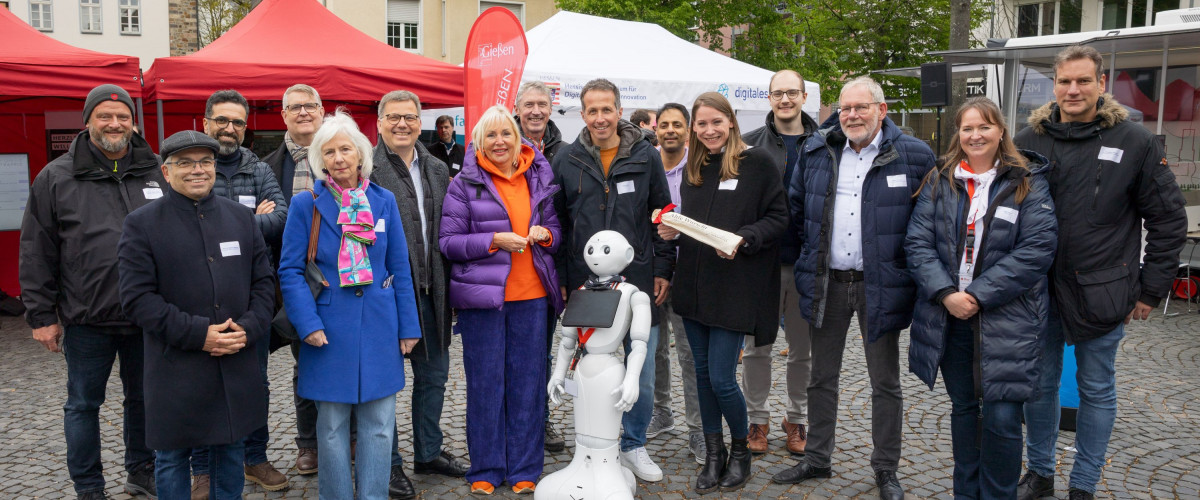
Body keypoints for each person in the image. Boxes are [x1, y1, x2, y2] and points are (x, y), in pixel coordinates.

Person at [1014, 45, 1188, 500]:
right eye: (1065, 81)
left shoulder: (1135, 141)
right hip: (1036, 292)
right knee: (1039, 387)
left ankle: (1085, 485)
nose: (1073, 90)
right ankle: (1040, 472)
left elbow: (1169, 220)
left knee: (1095, 389)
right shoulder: (1026, 142)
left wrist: (1150, 289)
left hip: (1102, 291)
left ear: (1101, 84)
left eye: (1083, 81)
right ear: (1053, 85)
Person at [771, 76, 935, 500]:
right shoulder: (817, 150)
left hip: (880, 285)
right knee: (821, 376)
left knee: (885, 381)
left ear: (882, 110)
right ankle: (818, 458)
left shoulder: (913, 154)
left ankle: (886, 469)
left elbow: (929, 223)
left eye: (861, 107)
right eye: (845, 108)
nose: (852, 116)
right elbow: (796, 210)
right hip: (827, 280)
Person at [905, 97, 1058, 499]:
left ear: (1001, 131)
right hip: (950, 317)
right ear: (959, 133)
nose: (975, 135)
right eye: (967, 128)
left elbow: (1038, 249)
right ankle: (965, 494)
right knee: (963, 410)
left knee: (1004, 417)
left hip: (1009, 318)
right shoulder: (941, 180)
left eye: (984, 127)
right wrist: (945, 293)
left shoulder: (1027, 181)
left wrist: (976, 294)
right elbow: (918, 243)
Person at [19, 83, 160, 500]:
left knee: (144, 400)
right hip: (87, 318)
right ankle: (89, 486)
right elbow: (35, 248)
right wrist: (41, 316)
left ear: (134, 124)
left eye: (123, 117)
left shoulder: (156, 171)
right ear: (88, 122)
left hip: (146, 315)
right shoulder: (56, 176)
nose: (114, 124)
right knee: (83, 405)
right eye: (105, 116)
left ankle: (142, 471)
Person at [117, 130, 276, 500]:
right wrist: (199, 334)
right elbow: (137, 299)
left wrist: (248, 329)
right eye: (185, 163)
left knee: (231, 449)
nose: (197, 170)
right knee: (173, 457)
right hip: (176, 364)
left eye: (205, 162)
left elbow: (264, 285)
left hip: (235, 359)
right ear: (166, 171)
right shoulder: (141, 224)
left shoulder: (241, 218)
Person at [278, 111, 422, 500]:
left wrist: (409, 326)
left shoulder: (384, 200)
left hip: (379, 326)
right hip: (327, 327)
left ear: (360, 154)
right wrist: (307, 324)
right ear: (320, 160)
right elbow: (290, 271)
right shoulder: (305, 205)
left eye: (346, 149)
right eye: (330, 152)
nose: (339, 158)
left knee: (378, 424)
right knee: (331, 425)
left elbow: (399, 267)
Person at [660, 92, 788, 493]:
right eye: (702, 124)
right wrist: (671, 229)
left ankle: (740, 452)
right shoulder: (695, 168)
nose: (709, 130)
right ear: (694, 129)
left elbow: (780, 218)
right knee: (701, 377)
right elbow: (695, 225)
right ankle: (714, 456)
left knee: (721, 377)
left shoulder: (758, 163)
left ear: (730, 121)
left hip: (735, 288)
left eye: (717, 121)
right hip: (694, 287)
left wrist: (744, 238)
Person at [551, 78, 675, 482]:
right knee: (591, 363)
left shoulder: (645, 154)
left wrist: (662, 268)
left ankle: (634, 444)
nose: (600, 118)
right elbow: (561, 223)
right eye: (593, 110)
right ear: (582, 114)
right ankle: (595, 444)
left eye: (608, 109)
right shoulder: (567, 159)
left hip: (638, 277)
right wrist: (567, 277)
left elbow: (663, 215)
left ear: (620, 111)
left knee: (643, 361)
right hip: (586, 282)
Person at [439, 104, 563, 495]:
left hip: (532, 298)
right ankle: (487, 469)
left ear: (518, 138)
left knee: (528, 384)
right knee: (486, 385)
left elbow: (557, 232)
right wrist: (494, 241)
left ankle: (525, 467)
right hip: (483, 301)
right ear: (477, 142)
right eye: (490, 135)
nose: (499, 141)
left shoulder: (538, 177)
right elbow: (449, 244)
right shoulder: (464, 185)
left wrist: (547, 236)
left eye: (505, 133)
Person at [369, 91, 468, 500]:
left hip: (434, 291)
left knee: (435, 378)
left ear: (420, 121)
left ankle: (427, 452)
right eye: (393, 118)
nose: (402, 125)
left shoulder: (437, 167)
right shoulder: (367, 169)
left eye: (410, 117)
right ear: (379, 123)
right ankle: (388, 465)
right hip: (387, 297)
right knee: (386, 384)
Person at [192, 88, 290, 496]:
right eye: (222, 120)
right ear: (206, 122)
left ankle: (255, 458)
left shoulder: (259, 168)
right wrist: (250, 219)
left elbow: (281, 217)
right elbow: (183, 225)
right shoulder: (193, 164)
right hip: (198, 292)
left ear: (245, 128)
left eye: (237, 122)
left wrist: (222, 224)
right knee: (200, 382)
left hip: (252, 294)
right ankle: (201, 469)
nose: (228, 128)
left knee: (255, 382)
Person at [739, 69, 820, 456]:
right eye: (778, 93)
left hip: (806, 262)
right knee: (758, 348)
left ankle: (797, 420)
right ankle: (757, 419)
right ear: (768, 98)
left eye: (792, 92)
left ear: (804, 97)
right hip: (762, 264)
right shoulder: (750, 145)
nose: (785, 99)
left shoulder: (824, 144)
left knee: (803, 350)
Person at [261, 83, 326, 475]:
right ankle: (309, 445)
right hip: (293, 281)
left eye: (310, 106)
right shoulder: (266, 166)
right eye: (294, 107)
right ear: (283, 115)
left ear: (323, 110)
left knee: (344, 356)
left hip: (345, 278)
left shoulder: (344, 154)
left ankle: (349, 437)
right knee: (306, 364)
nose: (304, 112)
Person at [645, 102, 707, 465]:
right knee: (654, 351)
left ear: (688, 130)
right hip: (652, 272)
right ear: (656, 129)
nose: (670, 130)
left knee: (689, 353)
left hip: (690, 273)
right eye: (664, 124)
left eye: (677, 125)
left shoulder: (699, 168)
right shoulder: (648, 164)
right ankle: (662, 411)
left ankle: (697, 429)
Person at [513, 79, 569, 452]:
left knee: (543, 352)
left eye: (542, 104)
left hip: (549, 268)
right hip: (510, 268)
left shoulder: (564, 151)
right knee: (510, 353)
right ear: (517, 109)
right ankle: (512, 423)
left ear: (551, 109)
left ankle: (540, 421)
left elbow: (567, 215)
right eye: (528, 104)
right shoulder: (501, 143)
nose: (535, 111)